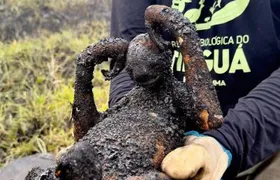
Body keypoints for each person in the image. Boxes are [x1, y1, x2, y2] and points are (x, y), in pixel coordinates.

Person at [110, 0, 280, 180]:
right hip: (164, 142)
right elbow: (127, 57)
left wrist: (226, 141)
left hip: (264, 136)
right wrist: (137, 133)